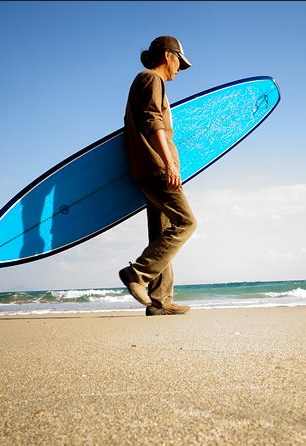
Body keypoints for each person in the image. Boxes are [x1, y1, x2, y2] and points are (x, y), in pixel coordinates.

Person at [118, 36, 196, 316]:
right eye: (179, 62)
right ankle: (137, 274)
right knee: (186, 223)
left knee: (161, 233)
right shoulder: (151, 79)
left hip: (149, 168)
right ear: (167, 55)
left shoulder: (145, 81)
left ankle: (159, 301)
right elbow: (153, 120)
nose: (179, 69)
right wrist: (168, 163)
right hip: (157, 167)